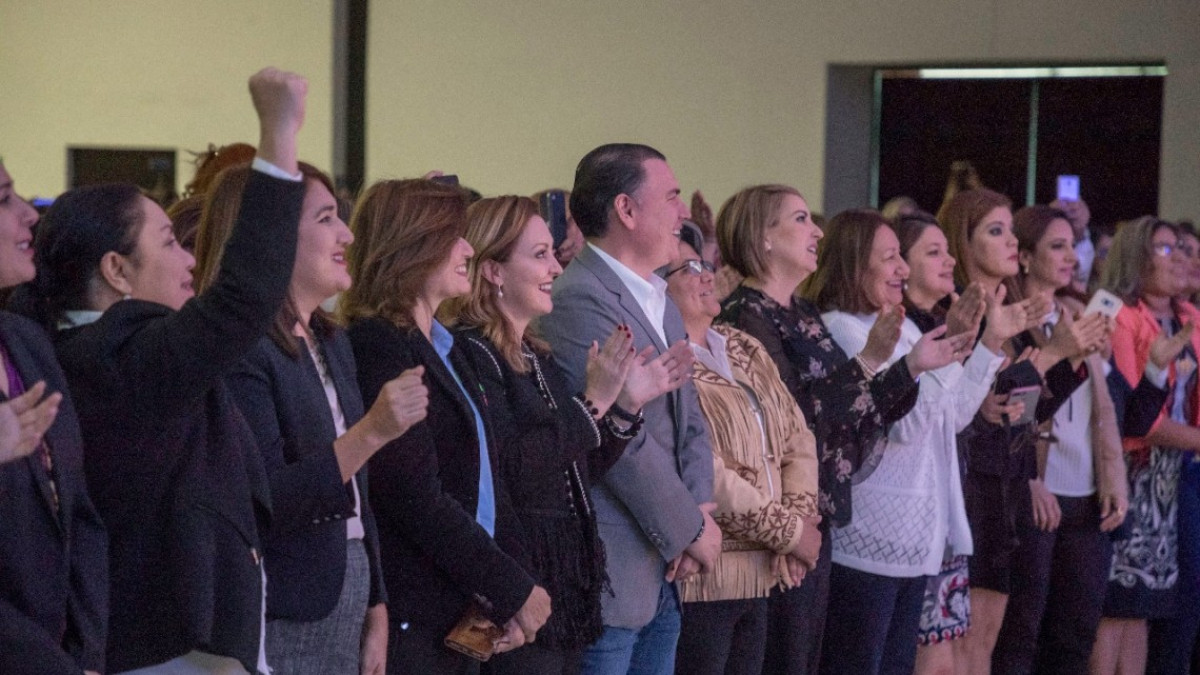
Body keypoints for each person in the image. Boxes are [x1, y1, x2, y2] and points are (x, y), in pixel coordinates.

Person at [25, 68, 308, 674]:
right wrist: (278, 131)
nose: (191, 260)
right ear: (116, 270)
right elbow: (244, 295)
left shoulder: (99, 352)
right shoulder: (117, 357)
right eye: (170, 242)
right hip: (170, 650)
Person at [193, 161, 430, 674]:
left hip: (348, 586)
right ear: (269, 233)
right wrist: (373, 432)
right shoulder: (243, 348)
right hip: (285, 601)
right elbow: (265, 498)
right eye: (326, 219)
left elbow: (359, 489)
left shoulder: (330, 338)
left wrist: (377, 601)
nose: (347, 233)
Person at [448, 195, 692, 674]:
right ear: (493, 270)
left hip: (563, 588)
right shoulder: (472, 353)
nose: (556, 268)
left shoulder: (535, 354)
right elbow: (513, 469)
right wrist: (594, 402)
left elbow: (575, 469)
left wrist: (625, 405)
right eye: (539, 255)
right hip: (516, 588)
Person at [340, 179, 550, 674]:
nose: (468, 250)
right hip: (415, 607)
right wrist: (511, 587)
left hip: (459, 605)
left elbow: (487, 483)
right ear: (414, 246)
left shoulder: (445, 346)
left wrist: (514, 585)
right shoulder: (379, 345)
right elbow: (412, 493)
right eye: (454, 238)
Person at [716, 185, 919, 675]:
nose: (818, 232)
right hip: (775, 526)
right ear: (763, 238)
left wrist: (908, 367)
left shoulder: (801, 312)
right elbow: (787, 420)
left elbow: (850, 413)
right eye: (801, 219)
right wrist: (870, 360)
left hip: (814, 516)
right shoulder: (745, 315)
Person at [536, 143, 721, 675]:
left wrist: (701, 510)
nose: (681, 212)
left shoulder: (659, 297)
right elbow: (621, 438)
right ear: (626, 209)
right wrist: (689, 528)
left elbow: (690, 418)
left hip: (666, 565)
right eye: (671, 197)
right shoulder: (579, 298)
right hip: (615, 570)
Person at [810, 210, 1002, 675]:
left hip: (913, 540)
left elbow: (952, 417)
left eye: (901, 256)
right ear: (856, 263)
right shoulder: (844, 329)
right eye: (890, 258)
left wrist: (977, 346)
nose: (901, 269)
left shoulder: (907, 328)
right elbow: (904, 425)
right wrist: (925, 364)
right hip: (870, 539)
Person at [991, 206, 1174, 675]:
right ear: (1025, 257)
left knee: (1074, 639)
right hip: (1037, 494)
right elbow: (1011, 411)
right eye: (1057, 246)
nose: (1072, 257)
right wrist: (1029, 480)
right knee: (1022, 634)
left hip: (1087, 500)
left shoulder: (1079, 314)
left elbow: (1121, 415)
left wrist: (1156, 368)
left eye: (1073, 246)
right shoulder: (1010, 324)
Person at [938, 189, 1098, 675]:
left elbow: (1025, 411)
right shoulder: (958, 313)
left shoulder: (1013, 312)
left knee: (995, 642)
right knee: (964, 646)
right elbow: (981, 410)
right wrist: (1053, 355)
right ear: (964, 242)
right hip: (972, 488)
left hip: (1007, 485)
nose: (1012, 241)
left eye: (1011, 229)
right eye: (996, 231)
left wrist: (1068, 357)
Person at [662, 223, 821, 675]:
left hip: (764, 571)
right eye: (688, 269)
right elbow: (702, 469)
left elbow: (797, 437)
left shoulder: (742, 345)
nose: (707, 275)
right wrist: (790, 534)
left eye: (706, 265)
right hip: (706, 578)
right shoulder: (666, 358)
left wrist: (798, 524)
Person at [0, 160, 107, 675]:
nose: (29, 214)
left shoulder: (25, 340)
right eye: (4, 199)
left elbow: (77, 509)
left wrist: (86, 654)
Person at [1093, 217, 1200, 675]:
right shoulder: (1115, 313)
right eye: (1164, 249)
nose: (1179, 258)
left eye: (1181, 248)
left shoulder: (1188, 316)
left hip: (1171, 476)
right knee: (1116, 605)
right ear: (1136, 256)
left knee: (1145, 606)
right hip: (1129, 470)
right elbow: (1129, 410)